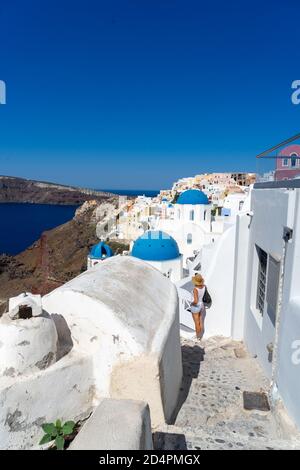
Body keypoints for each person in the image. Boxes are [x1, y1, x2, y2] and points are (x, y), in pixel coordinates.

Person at [190, 273, 206, 340]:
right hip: (202, 305)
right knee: (201, 322)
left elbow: (196, 301)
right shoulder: (204, 287)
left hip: (196, 306)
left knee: (196, 323)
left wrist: (192, 303)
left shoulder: (195, 289)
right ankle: (200, 335)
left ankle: (198, 337)